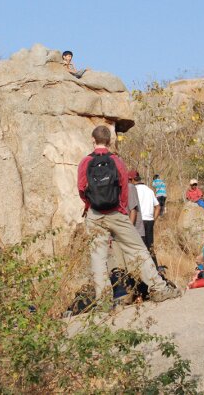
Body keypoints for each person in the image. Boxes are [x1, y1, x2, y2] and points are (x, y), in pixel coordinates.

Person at [77, 125, 179, 303]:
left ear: (93, 140)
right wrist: (121, 209)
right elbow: (124, 188)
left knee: (98, 257)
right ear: (109, 141)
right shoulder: (116, 161)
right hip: (117, 212)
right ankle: (158, 289)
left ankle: (103, 301)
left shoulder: (85, 162)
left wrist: (90, 205)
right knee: (137, 249)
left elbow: (81, 188)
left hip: (95, 214)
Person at [129, 171, 160, 263]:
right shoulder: (149, 190)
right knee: (150, 247)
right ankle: (155, 269)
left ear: (133, 179)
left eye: (129, 180)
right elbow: (158, 207)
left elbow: (132, 209)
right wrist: (153, 220)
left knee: (138, 248)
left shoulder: (133, 190)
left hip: (138, 221)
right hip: (149, 221)